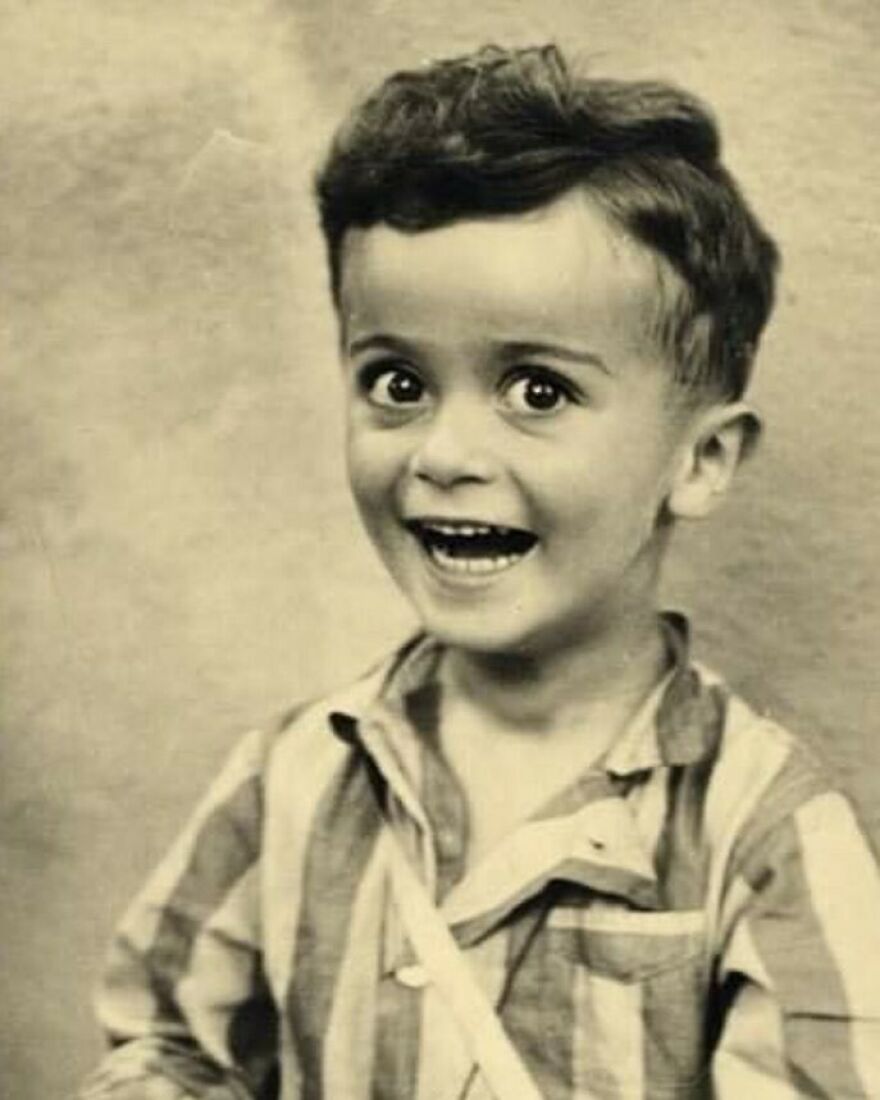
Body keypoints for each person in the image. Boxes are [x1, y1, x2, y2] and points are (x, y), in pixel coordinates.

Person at [77, 43, 880, 1100]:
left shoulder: (763, 832)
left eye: (536, 391)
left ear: (699, 459)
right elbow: (166, 1041)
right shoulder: (292, 777)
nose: (443, 453)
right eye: (397, 380)